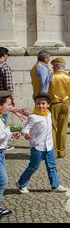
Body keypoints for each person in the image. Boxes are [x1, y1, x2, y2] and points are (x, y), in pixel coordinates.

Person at [16, 93, 68, 194]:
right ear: (35, 104)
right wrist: (26, 134)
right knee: (33, 167)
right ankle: (21, 183)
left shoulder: (49, 114)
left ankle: (55, 185)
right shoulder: (33, 117)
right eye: (38, 104)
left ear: (48, 104)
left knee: (52, 166)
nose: (41, 106)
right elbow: (25, 129)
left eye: (43, 103)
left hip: (49, 146)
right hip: (37, 147)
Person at [49, 58, 70, 158]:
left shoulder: (51, 77)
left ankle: (53, 151)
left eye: (53, 65)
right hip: (66, 103)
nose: (52, 67)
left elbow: (45, 91)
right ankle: (61, 151)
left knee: (52, 127)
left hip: (53, 104)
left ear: (57, 66)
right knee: (63, 128)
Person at [0, 91, 21, 219]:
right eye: (8, 104)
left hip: (1, 153)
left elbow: (4, 133)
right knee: (3, 181)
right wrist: (10, 133)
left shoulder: (1, 117)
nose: (10, 107)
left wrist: (12, 134)